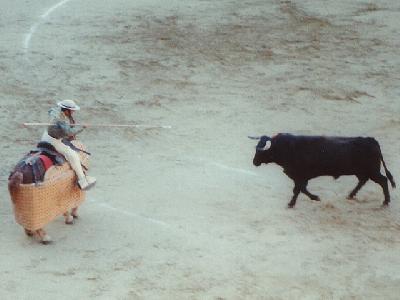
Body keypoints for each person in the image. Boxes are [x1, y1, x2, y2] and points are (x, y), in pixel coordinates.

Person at [41, 99, 96, 190]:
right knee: (73, 155)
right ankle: (82, 181)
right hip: (54, 141)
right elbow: (69, 133)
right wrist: (82, 127)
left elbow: (50, 110)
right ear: (67, 110)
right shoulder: (62, 120)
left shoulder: (55, 111)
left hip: (45, 136)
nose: (74, 111)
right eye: (72, 110)